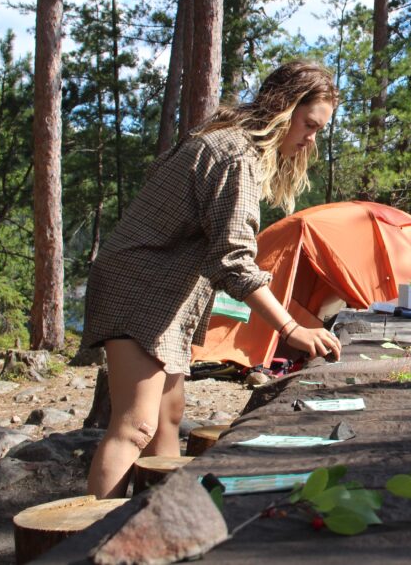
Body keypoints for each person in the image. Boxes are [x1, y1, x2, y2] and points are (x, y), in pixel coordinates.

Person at [81, 59, 343, 499]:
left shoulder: (231, 147)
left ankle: (159, 516)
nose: (310, 140)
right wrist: (292, 328)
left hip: (164, 292)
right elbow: (234, 261)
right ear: (285, 108)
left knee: (169, 416)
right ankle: (95, 538)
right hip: (138, 286)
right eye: (309, 125)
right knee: (135, 425)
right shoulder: (235, 155)